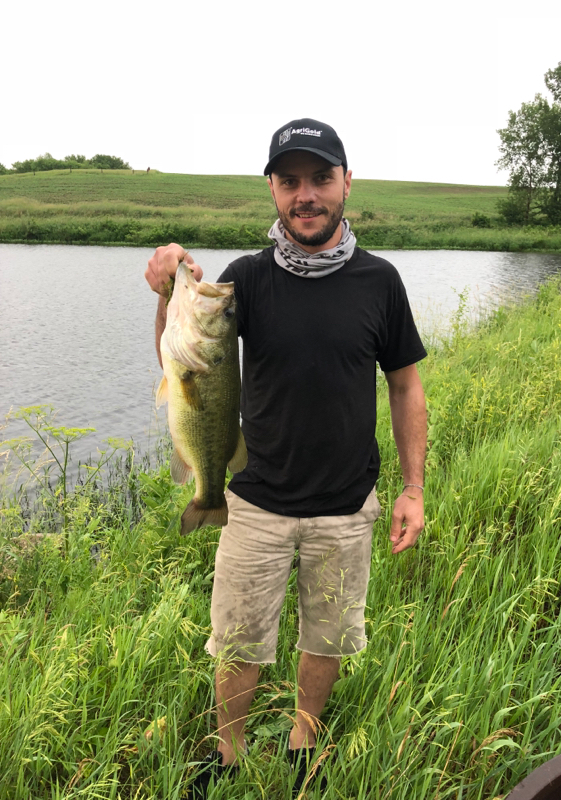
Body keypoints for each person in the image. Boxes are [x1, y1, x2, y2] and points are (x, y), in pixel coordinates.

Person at [145, 118, 427, 798]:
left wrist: (413, 488)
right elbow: (184, 355)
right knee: (237, 640)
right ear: (271, 188)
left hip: (346, 505)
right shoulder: (246, 278)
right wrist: (166, 293)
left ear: (347, 182)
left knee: (327, 637)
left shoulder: (381, 281)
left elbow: (405, 385)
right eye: (290, 180)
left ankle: (304, 743)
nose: (306, 195)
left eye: (320, 178)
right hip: (254, 501)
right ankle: (228, 753)